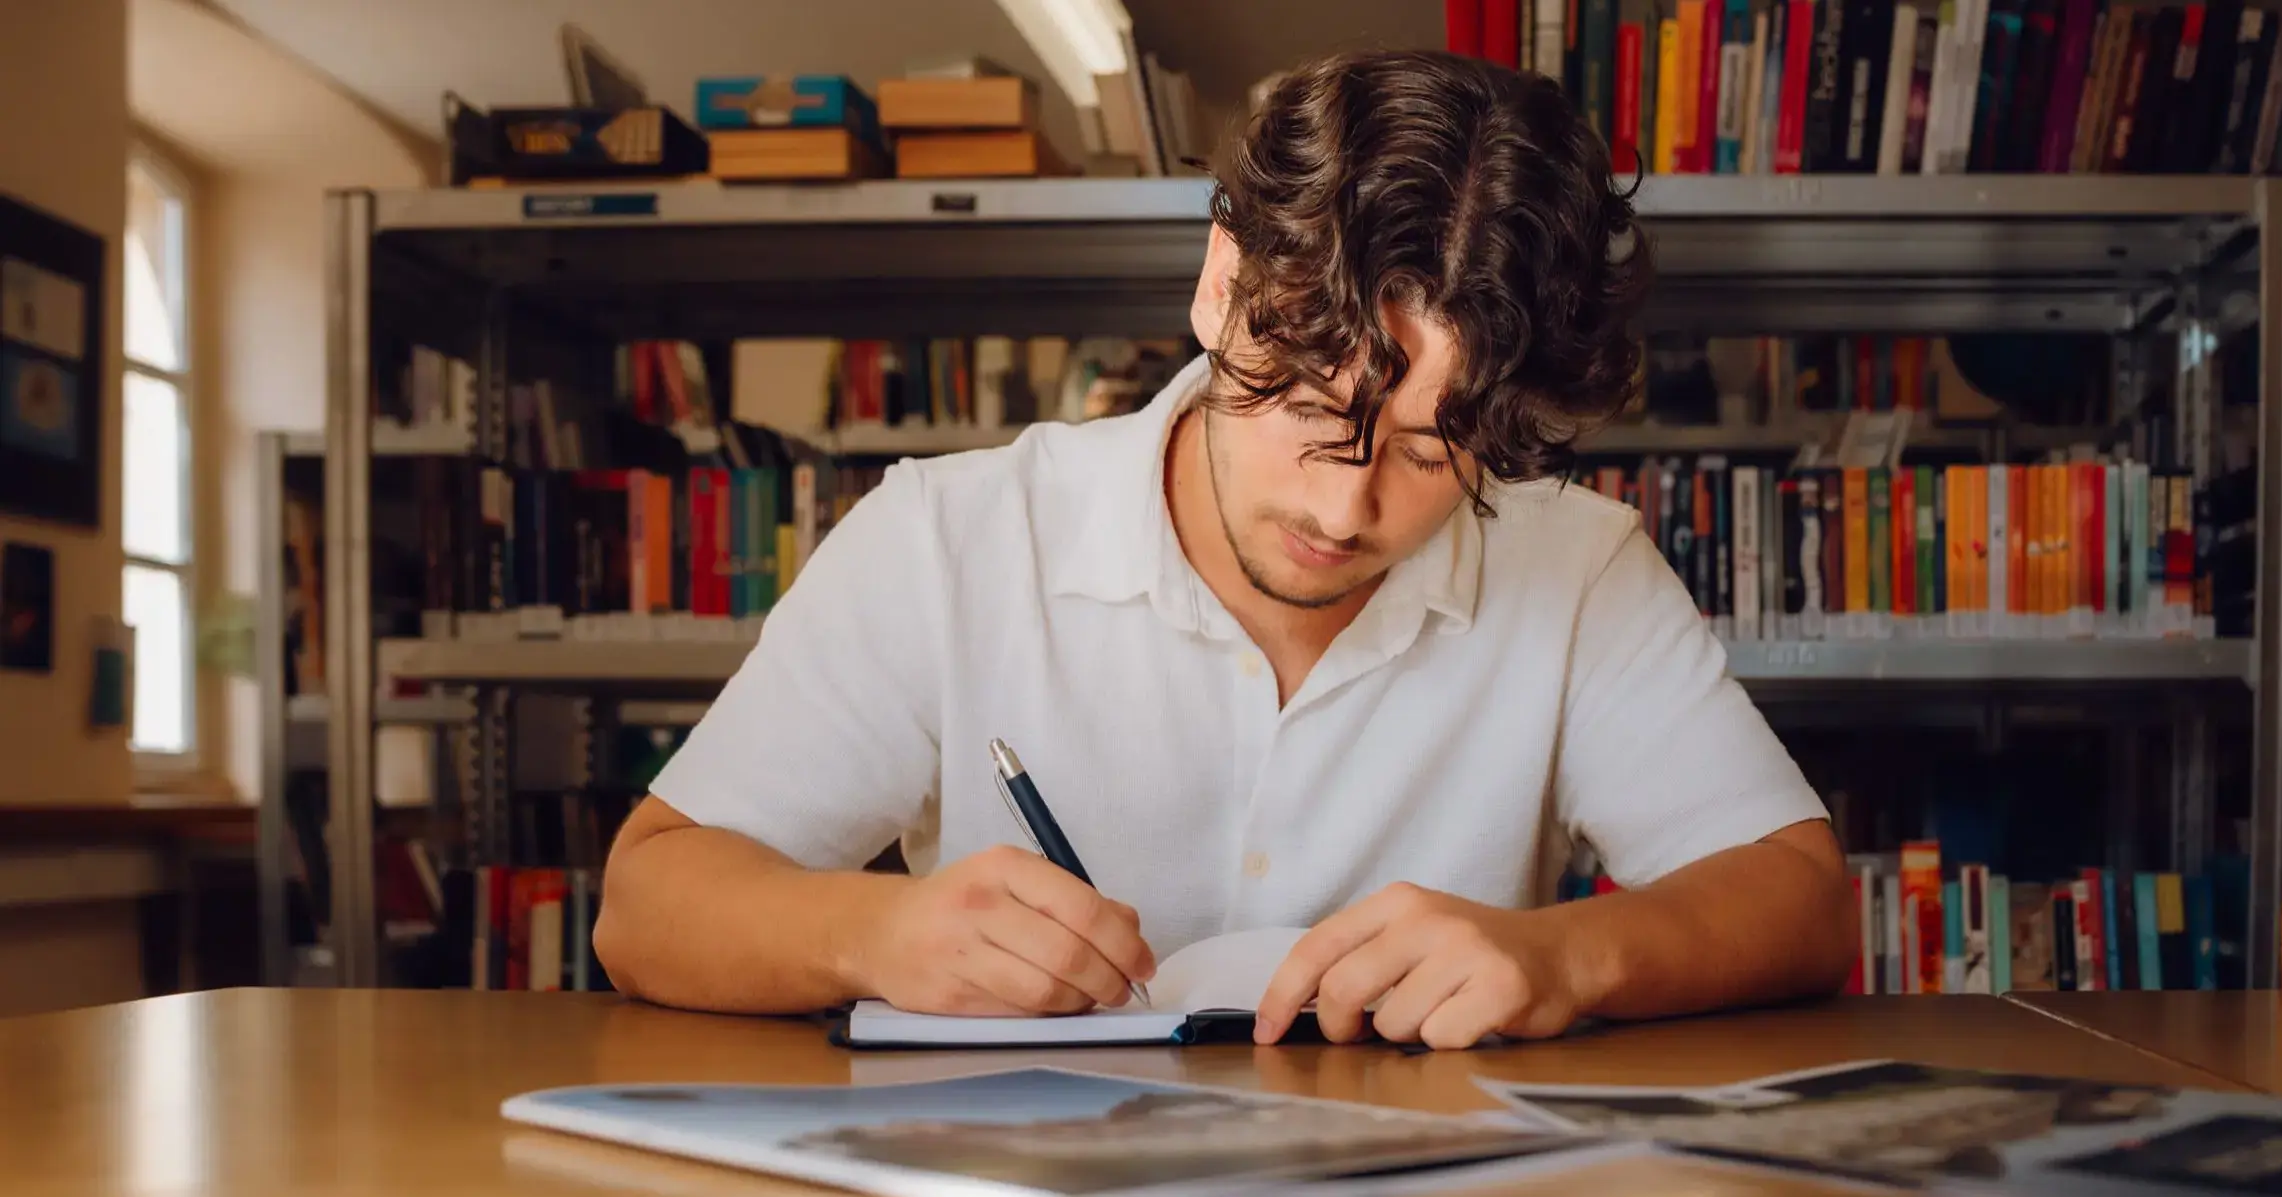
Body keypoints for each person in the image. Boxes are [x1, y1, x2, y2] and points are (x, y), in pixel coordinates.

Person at [593, 49, 1856, 1050]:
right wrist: (869, 931)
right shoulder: (949, 538)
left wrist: (1566, 959)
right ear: (1220, 284)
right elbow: (644, 908)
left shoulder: (1573, 567)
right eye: (1312, 410)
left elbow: (1800, 901)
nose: (1346, 510)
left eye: (1431, 453)